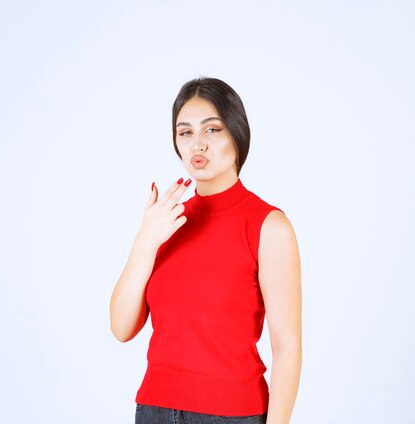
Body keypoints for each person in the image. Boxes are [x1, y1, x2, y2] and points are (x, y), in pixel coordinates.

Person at [110, 77, 302, 424]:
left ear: (236, 133)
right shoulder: (165, 222)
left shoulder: (269, 226)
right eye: (185, 133)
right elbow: (122, 327)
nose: (197, 144)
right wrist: (145, 241)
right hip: (153, 411)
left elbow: (287, 349)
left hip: (230, 415)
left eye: (212, 130)